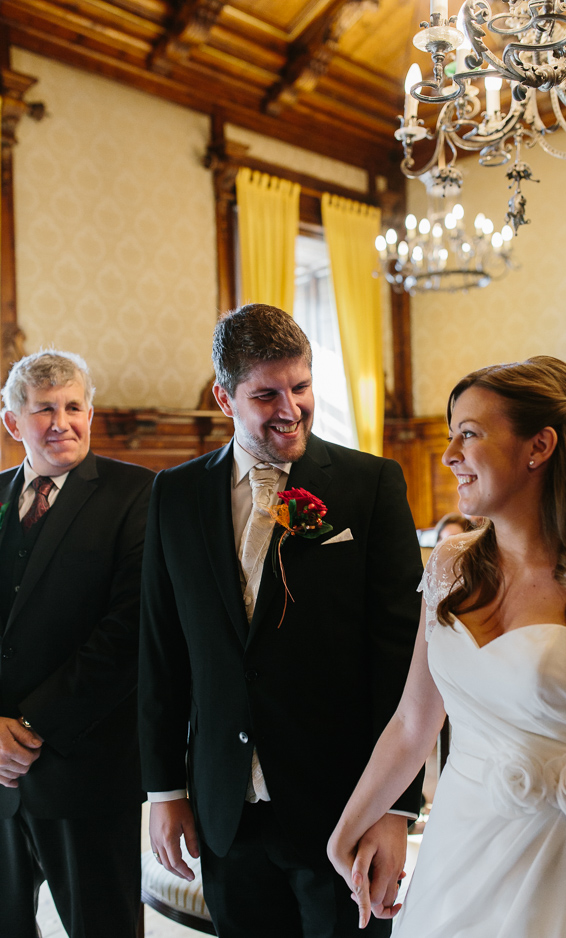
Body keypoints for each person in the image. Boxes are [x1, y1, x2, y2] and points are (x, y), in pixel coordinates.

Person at [138, 303, 424, 938]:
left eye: (300, 386)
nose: (290, 408)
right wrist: (165, 791)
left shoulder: (369, 484)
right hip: (225, 809)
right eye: (266, 394)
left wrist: (393, 809)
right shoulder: (175, 495)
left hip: (343, 806)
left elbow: (402, 659)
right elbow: (161, 649)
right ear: (224, 396)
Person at [329, 355, 566, 937]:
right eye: (449, 437)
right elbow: (415, 722)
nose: (449, 456)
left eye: (469, 434)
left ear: (538, 447)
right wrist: (347, 829)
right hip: (459, 852)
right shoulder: (449, 565)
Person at [0, 350, 154, 938]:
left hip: (86, 768)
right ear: (15, 423)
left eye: (73, 406)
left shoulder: (136, 494)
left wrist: (32, 726)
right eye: (43, 409)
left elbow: (128, 631)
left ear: (91, 412)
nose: (61, 421)